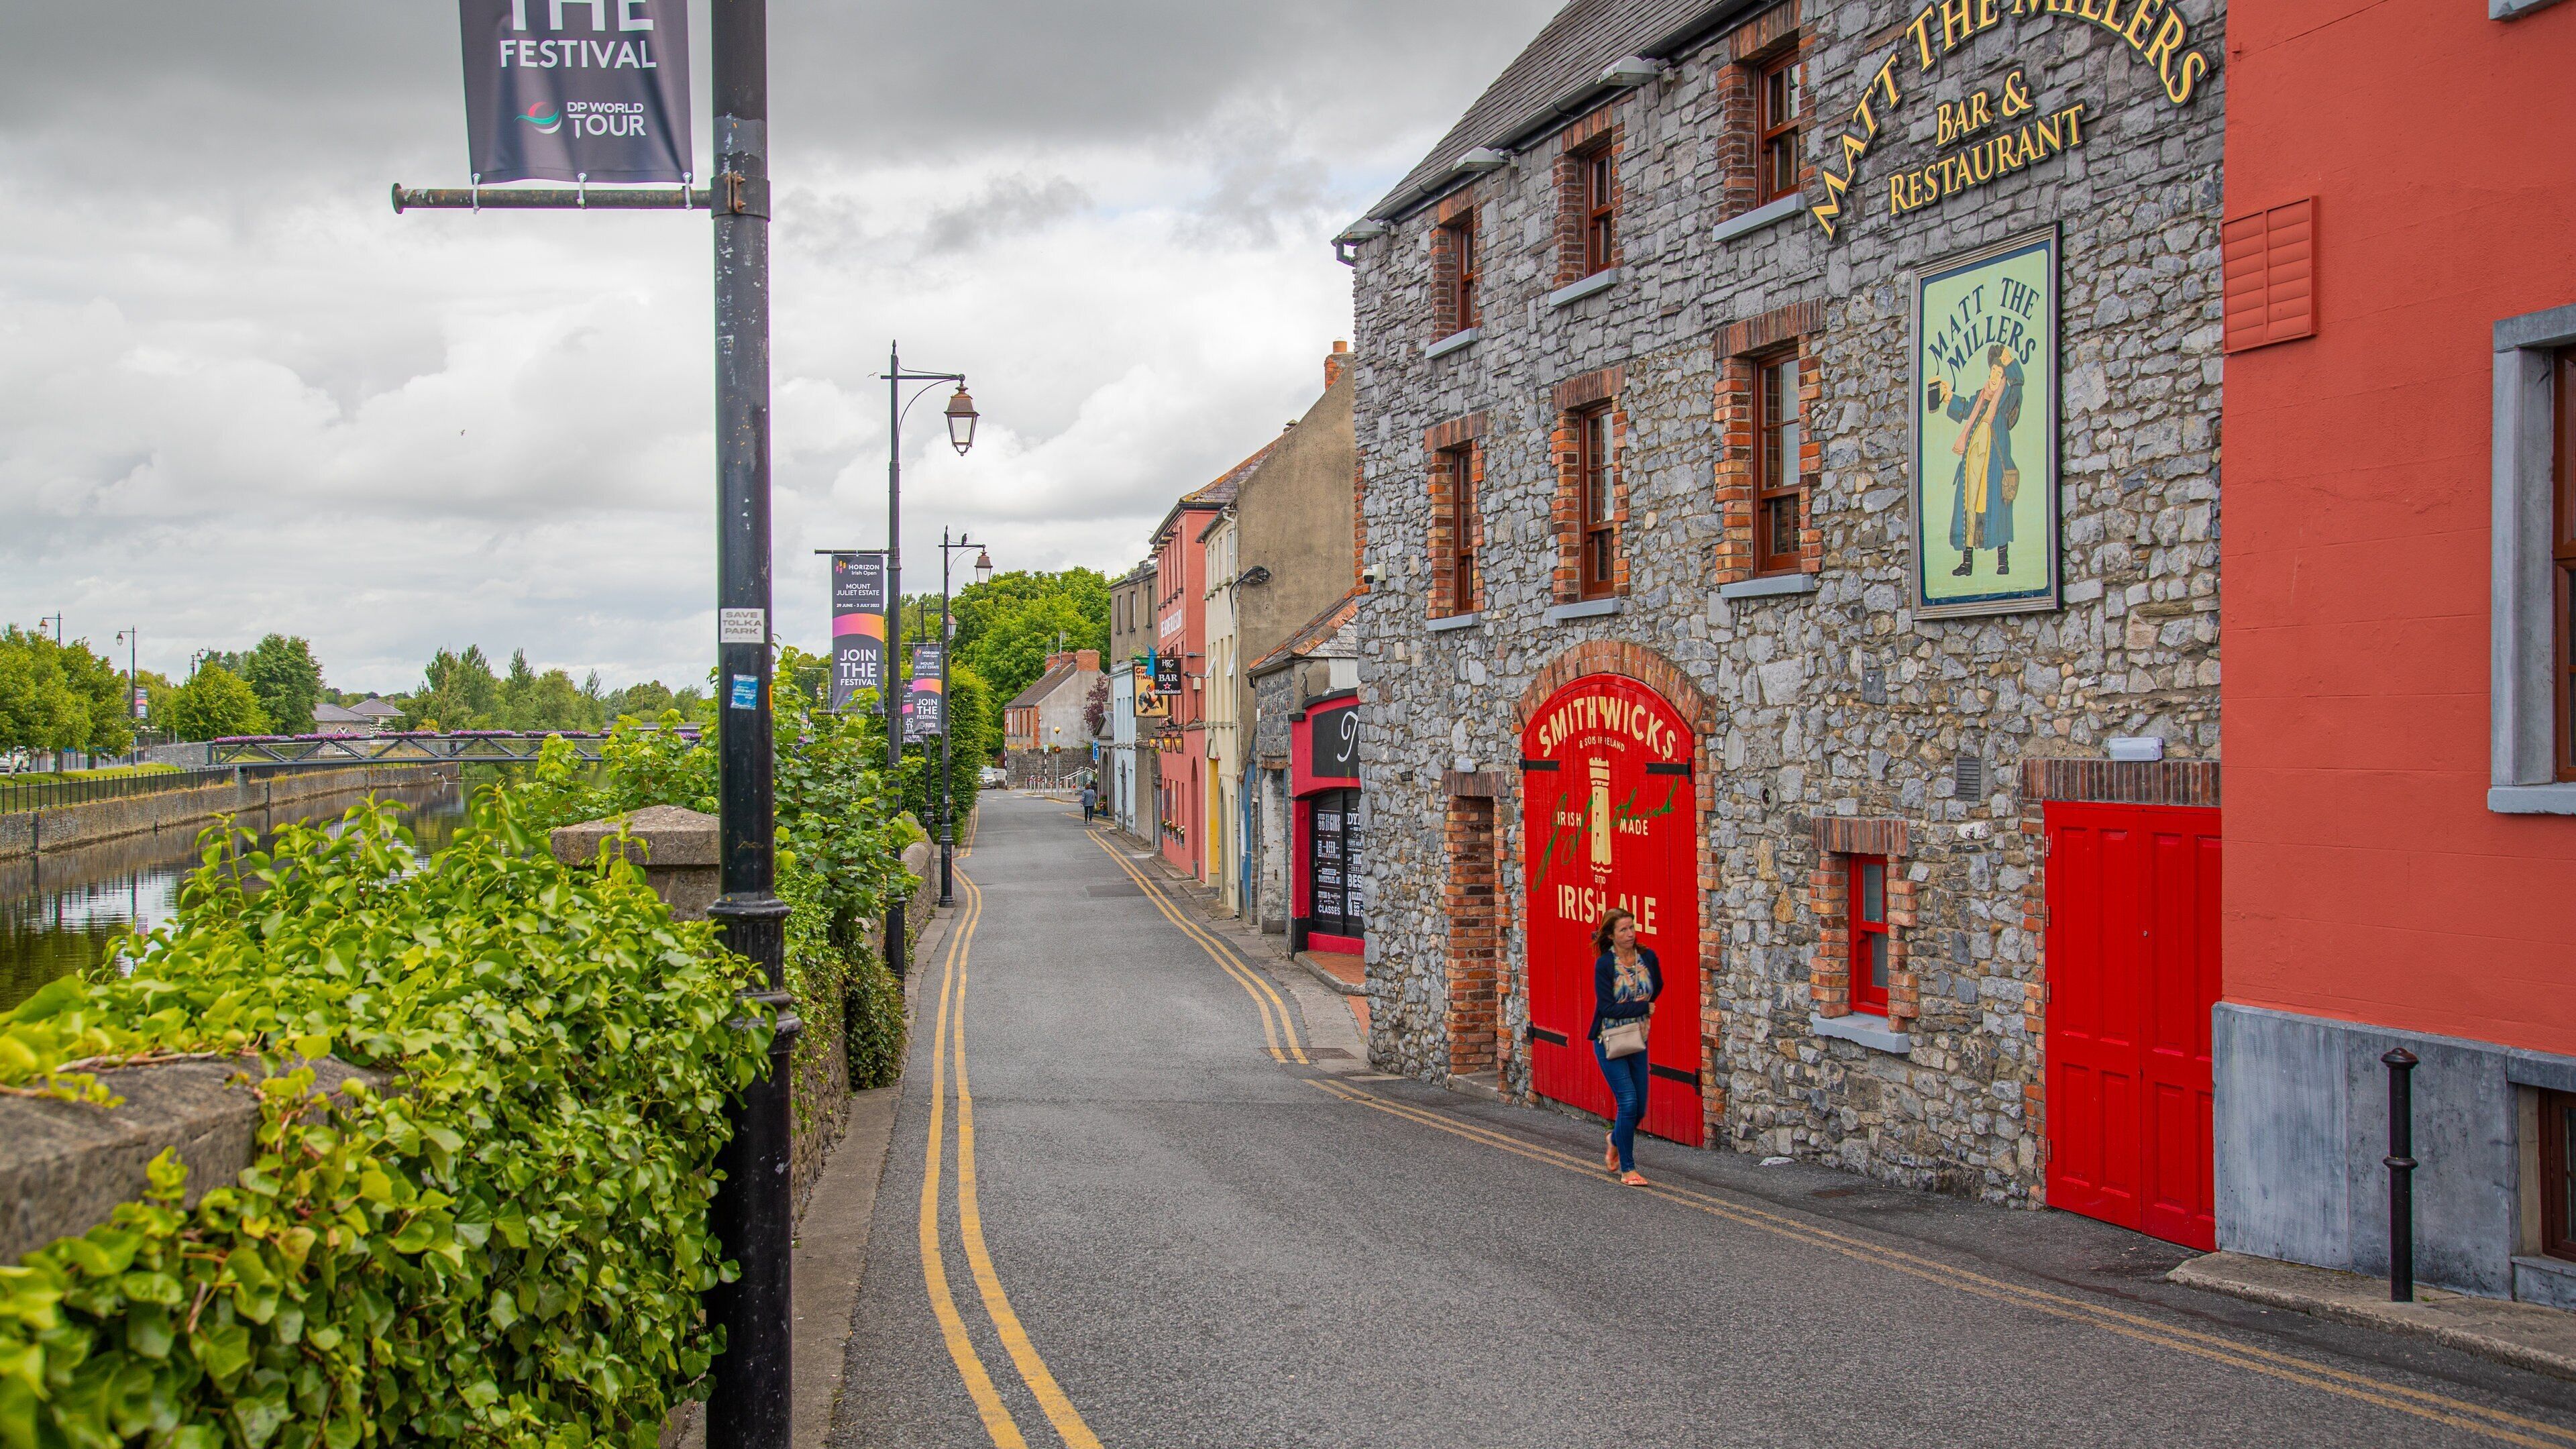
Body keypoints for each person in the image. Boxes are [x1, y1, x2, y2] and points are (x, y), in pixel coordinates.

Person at [1926, 341, 2023, 578]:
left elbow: (2019, 385)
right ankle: (1967, 564)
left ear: (2004, 378)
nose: (1994, 378)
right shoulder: (1982, 398)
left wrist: (2010, 363)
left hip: (1995, 468)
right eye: (1993, 372)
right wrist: (1947, 396)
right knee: (1968, 511)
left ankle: (2003, 562)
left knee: (1998, 512)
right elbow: (1967, 408)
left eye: (1999, 374)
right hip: (1972, 465)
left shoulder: (2006, 400)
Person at [1590, 907, 1662, 1186]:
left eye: (1632, 927)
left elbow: (1659, 986)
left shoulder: (1648, 958)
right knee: (1628, 1101)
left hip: (1638, 1038)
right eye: (1623, 930)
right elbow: (1607, 1007)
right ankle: (1628, 1169)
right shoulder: (1605, 965)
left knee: (1639, 1109)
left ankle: (1614, 1139)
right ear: (1611, 935)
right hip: (1609, 1040)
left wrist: (1643, 1005)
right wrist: (1643, 1006)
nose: (1630, 934)